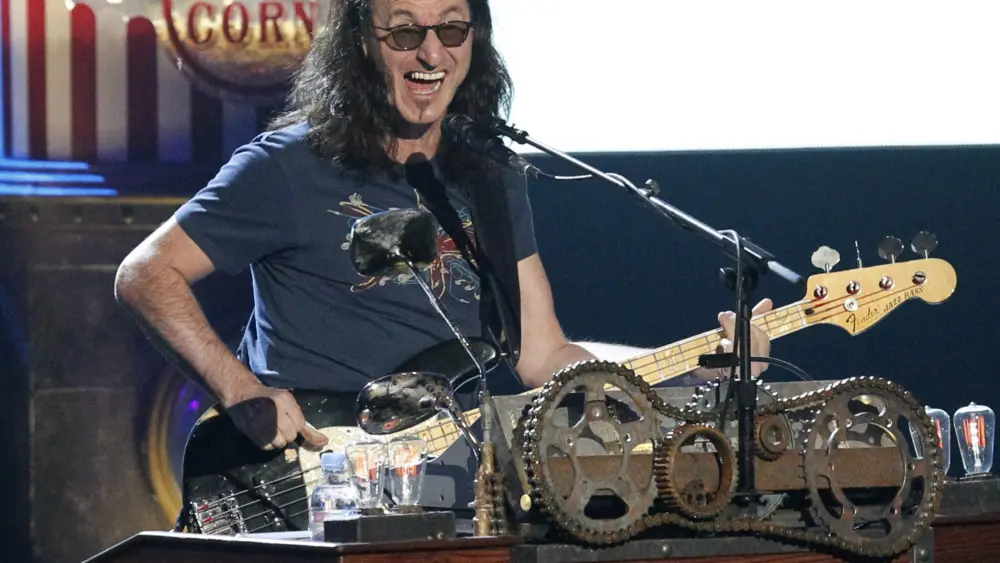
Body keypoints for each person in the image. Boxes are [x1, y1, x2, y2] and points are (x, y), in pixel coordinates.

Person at [114, 0, 772, 455]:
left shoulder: (489, 176)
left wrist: (693, 369)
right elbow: (146, 272)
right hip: (307, 475)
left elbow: (541, 353)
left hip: (445, 489)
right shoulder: (288, 167)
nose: (431, 51)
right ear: (361, 42)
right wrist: (239, 389)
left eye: (452, 30)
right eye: (404, 32)